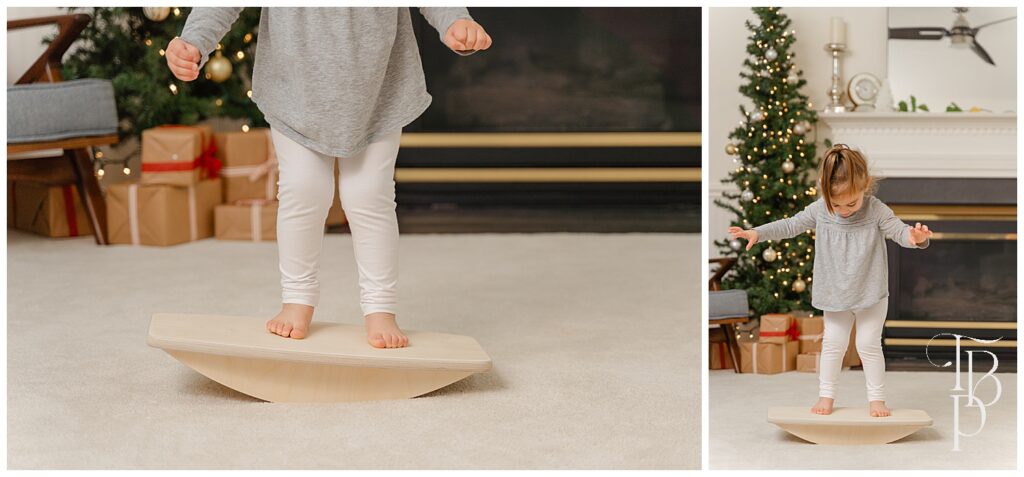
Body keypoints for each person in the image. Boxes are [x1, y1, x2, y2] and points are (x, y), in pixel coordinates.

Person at [166, 7, 492, 348]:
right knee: (303, 191)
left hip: (378, 89)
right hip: (295, 90)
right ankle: (297, 299)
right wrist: (195, 41)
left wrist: (455, 21)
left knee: (369, 196)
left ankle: (381, 308)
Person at [729, 144, 932, 417]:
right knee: (833, 344)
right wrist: (757, 232)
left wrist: (916, 238)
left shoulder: (876, 210)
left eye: (851, 203)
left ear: (866, 186)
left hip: (871, 293)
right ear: (824, 194)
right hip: (835, 294)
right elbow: (791, 224)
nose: (844, 210)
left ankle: (877, 400)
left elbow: (899, 231)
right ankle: (826, 396)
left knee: (868, 345)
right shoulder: (820, 210)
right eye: (836, 204)